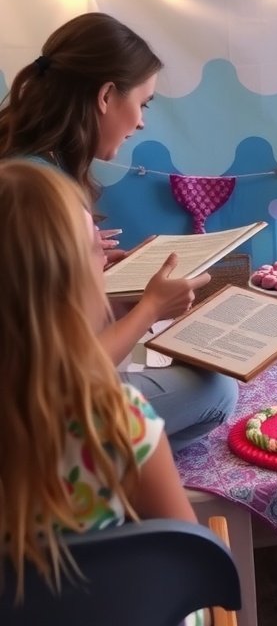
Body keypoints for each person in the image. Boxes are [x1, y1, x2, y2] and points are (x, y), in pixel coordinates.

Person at [0, 12, 238, 452]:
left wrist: (110, 285)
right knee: (217, 391)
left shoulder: (24, 167)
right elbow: (67, 364)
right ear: (107, 95)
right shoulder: (45, 194)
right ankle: (88, 469)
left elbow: (41, 314)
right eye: (143, 104)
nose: (142, 122)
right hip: (37, 413)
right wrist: (148, 307)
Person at [0, 159, 202, 606]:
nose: (106, 260)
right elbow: (191, 564)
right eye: (97, 247)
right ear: (73, 284)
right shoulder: (114, 418)